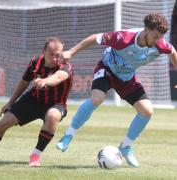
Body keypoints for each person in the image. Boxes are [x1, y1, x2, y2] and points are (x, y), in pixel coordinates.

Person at [56, 13, 177, 167]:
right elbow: (95, 37)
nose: (157, 41)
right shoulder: (124, 38)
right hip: (107, 70)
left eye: (160, 37)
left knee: (147, 111)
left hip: (127, 78)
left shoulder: (160, 44)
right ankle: (68, 135)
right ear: (146, 29)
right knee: (96, 99)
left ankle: (125, 147)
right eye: (155, 36)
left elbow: (172, 51)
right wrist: (71, 52)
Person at [0, 37, 73, 167]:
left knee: (52, 116)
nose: (55, 58)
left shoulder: (66, 66)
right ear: (43, 51)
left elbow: (58, 77)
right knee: (3, 124)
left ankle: (35, 155)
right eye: (51, 54)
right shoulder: (35, 62)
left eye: (58, 55)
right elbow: (24, 82)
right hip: (33, 100)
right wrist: (10, 103)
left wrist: (45, 81)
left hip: (56, 104)